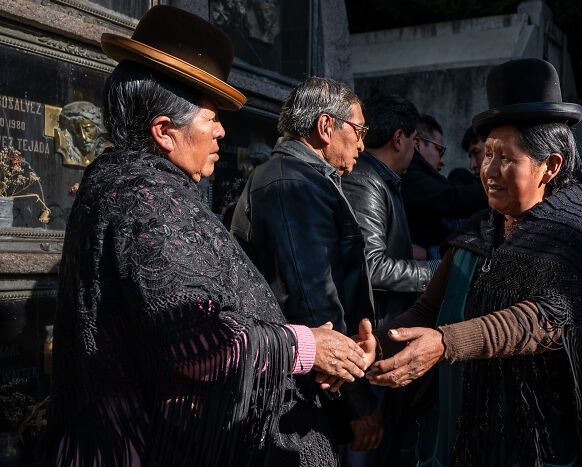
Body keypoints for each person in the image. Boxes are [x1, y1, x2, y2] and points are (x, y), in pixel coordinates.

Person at [46, 7, 374, 466]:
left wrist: (309, 344)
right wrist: (307, 346)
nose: (222, 132)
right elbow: (196, 340)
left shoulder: (134, 184)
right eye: (210, 118)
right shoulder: (144, 199)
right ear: (164, 132)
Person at [366, 58, 582, 466]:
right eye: (486, 154)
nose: (488, 171)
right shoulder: (477, 232)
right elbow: (428, 307)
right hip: (471, 431)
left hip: (546, 439)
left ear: (551, 166)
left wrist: (446, 342)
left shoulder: (577, 229)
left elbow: (547, 317)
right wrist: (378, 344)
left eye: (505, 158)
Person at [231, 77, 381, 453]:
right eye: (359, 130)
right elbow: (311, 297)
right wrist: (356, 402)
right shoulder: (289, 184)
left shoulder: (306, 179)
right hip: (300, 389)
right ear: (326, 127)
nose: (363, 143)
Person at [343, 94, 438, 326]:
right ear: (398, 138)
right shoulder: (364, 180)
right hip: (373, 328)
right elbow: (372, 267)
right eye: (414, 141)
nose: (414, 152)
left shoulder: (383, 179)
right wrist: (437, 270)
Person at [402, 115, 487, 259]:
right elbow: (451, 198)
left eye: (476, 153)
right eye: (439, 150)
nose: (443, 161)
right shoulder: (409, 175)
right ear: (417, 144)